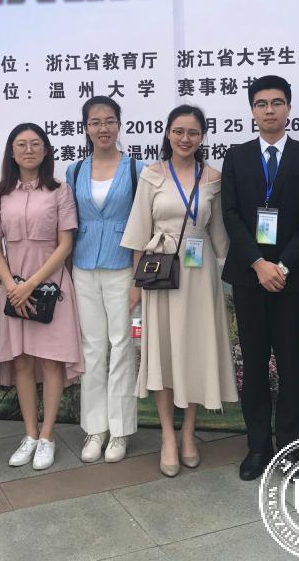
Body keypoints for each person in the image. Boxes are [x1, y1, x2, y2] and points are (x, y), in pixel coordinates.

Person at [121, 105, 237, 477]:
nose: (185, 139)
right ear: (168, 133)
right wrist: (136, 283)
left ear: (202, 137)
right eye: (178, 131)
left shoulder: (213, 177)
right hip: (161, 274)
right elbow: (139, 233)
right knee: (164, 353)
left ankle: (189, 432)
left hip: (200, 278)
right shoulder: (151, 175)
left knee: (194, 352)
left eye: (193, 132)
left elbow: (220, 235)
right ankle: (168, 437)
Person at [221, 75, 299, 481]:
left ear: (289, 108)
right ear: (252, 110)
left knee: (291, 363)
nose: (269, 110)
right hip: (249, 277)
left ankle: (291, 447)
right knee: (254, 363)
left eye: (277, 102)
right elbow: (231, 215)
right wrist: (258, 264)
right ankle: (258, 446)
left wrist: (280, 266)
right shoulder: (237, 157)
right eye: (261, 103)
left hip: (291, 280)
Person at [0, 123, 85, 471]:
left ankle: (47, 436)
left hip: (51, 285)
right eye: (21, 144)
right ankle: (29, 434)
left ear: (46, 151)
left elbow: (65, 244)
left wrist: (30, 284)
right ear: (11, 153)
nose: (28, 150)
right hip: (11, 288)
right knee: (23, 361)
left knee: (52, 361)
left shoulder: (60, 190)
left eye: (35, 144)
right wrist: (12, 285)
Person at [66, 97, 144, 464]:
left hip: (122, 267)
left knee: (122, 347)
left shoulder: (136, 169)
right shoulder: (75, 170)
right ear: (85, 127)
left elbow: (143, 225)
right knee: (92, 350)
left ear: (119, 124)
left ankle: (120, 431)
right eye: (95, 122)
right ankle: (95, 429)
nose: (103, 128)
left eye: (109, 121)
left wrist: (137, 280)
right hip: (83, 267)